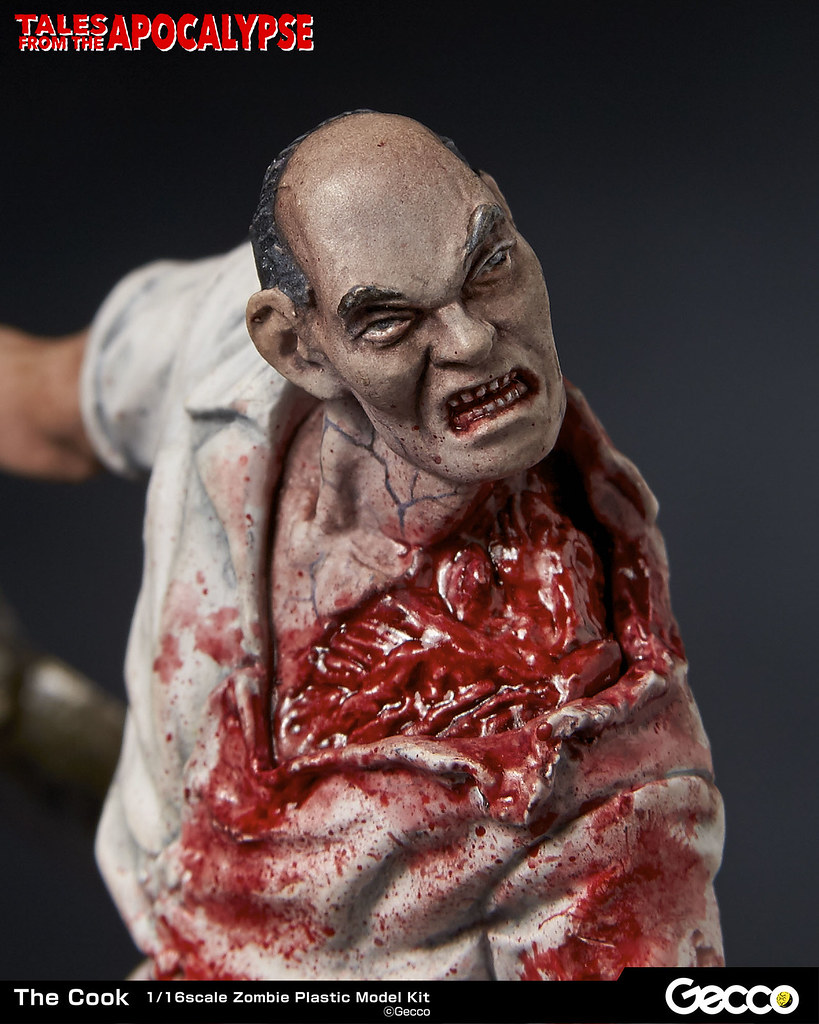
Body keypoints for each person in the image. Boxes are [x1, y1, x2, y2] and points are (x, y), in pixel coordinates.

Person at [0, 112, 724, 980]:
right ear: (294, 345)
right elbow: (42, 406)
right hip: (171, 880)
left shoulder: (613, 775)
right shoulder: (222, 346)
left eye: (488, 265)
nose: (470, 340)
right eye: (387, 320)